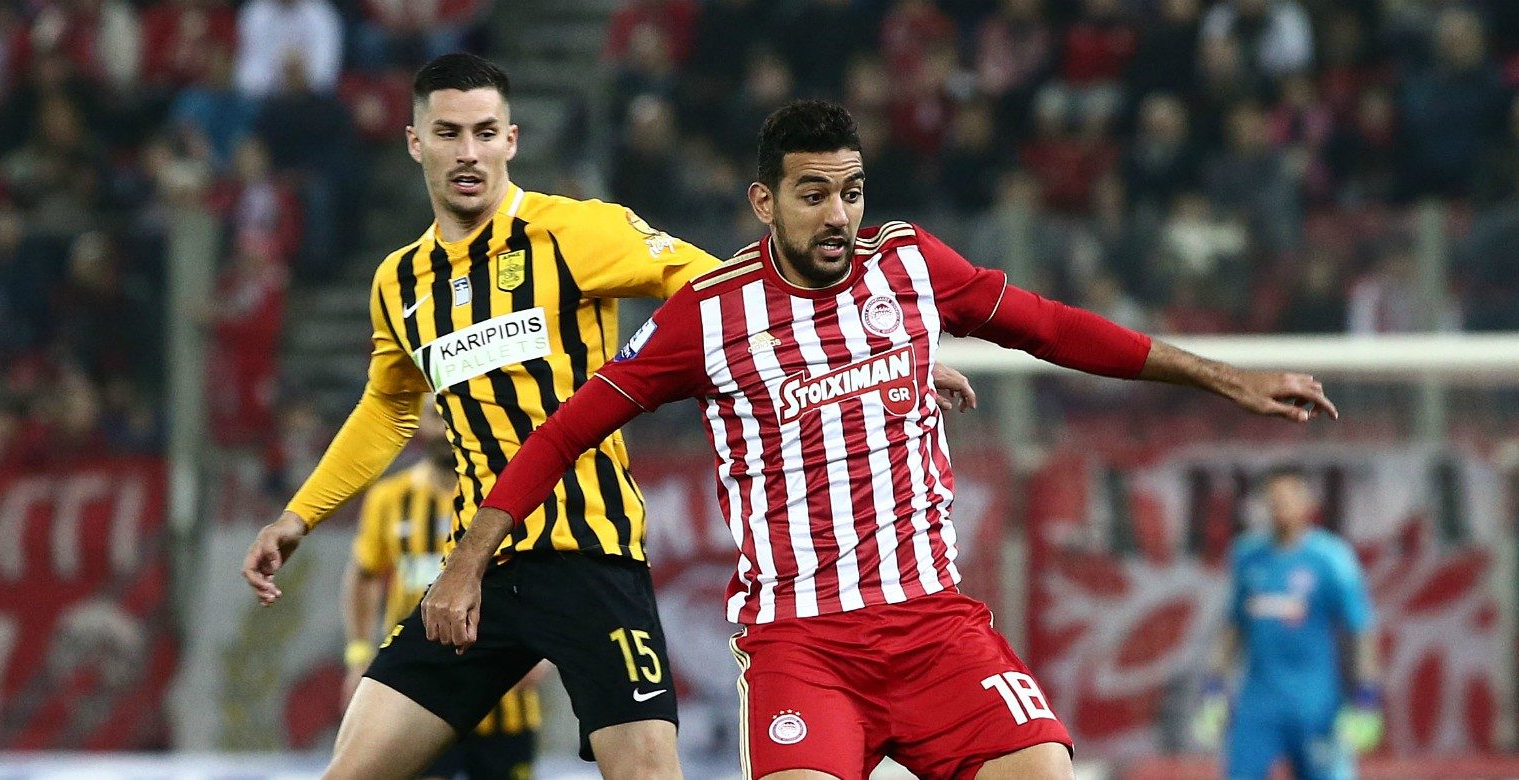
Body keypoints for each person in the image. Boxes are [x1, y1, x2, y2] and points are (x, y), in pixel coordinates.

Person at [450, 100, 1338, 779]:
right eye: (812, 195)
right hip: (801, 641)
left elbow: (1053, 327)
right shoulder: (708, 317)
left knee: (1045, 770)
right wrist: (467, 563)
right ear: (764, 202)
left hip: (933, 627)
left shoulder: (910, 267)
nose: (837, 215)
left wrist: (1226, 377)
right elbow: (564, 432)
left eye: (851, 192)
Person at [238, 55, 972, 780]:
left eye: (485, 132)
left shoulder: (576, 232)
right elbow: (387, 409)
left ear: (511, 140)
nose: (468, 152)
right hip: (479, 569)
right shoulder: (399, 281)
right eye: (449, 132)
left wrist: (862, 343)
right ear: (415, 142)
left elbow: (721, 292)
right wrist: (298, 517)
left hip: (590, 557)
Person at [342, 406, 542, 780]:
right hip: (417, 696)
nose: (448, 426)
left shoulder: (515, 495)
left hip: (505, 702)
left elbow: (546, 577)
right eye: (437, 415)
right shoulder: (390, 497)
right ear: (418, 421)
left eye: (457, 413)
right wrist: (358, 654)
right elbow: (364, 574)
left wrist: (542, 655)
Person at [1192, 468, 1383, 780]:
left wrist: (1366, 695)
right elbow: (1234, 627)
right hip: (1259, 705)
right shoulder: (1247, 556)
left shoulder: (1332, 558)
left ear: (1307, 504)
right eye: (1274, 499)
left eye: (1288, 498)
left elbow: (1359, 629)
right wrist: (1214, 687)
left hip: (1315, 704)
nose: (1280, 506)